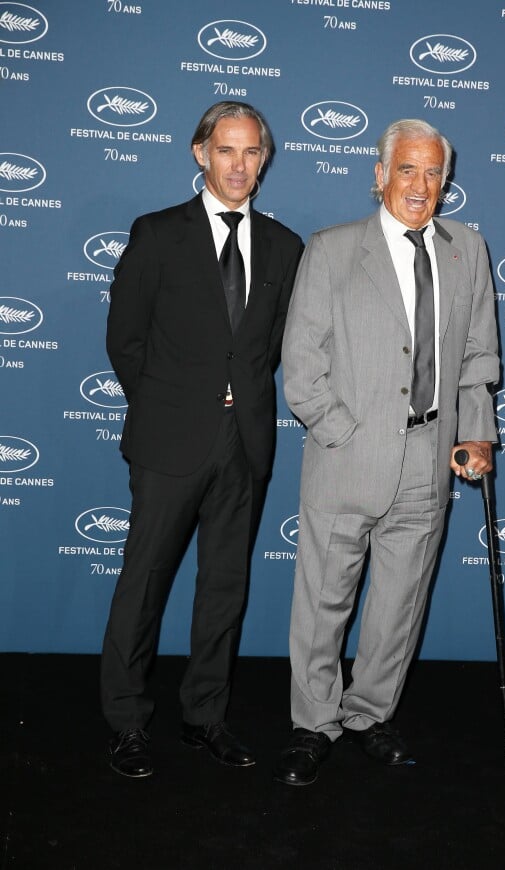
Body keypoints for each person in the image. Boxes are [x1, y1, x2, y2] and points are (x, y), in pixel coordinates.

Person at [275, 118, 500, 786]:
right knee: (323, 604)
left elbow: (477, 355)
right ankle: (313, 724)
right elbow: (301, 363)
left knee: (399, 604)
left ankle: (370, 714)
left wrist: (476, 432)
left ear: (446, 182)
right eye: (408, 169)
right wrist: (340, 430)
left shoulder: (468, 250)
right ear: (380, 175)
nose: (420, 185)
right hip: (345, 456)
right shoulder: (333, 249)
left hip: (430, 459)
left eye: (433, 173)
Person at [101, 101, 303, 778]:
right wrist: (174, 402)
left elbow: (271, 346)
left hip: (242, 443)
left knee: (225, 586)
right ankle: (128, 722)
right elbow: (124, 341)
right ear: (199, 153)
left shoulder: (284, 246)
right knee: (144, 582)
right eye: (226, 151)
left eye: (252, 153)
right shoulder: (158, 234)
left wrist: (234, 398)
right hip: (168, 440)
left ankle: (205, 716)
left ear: (265, 159)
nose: (240, 166)